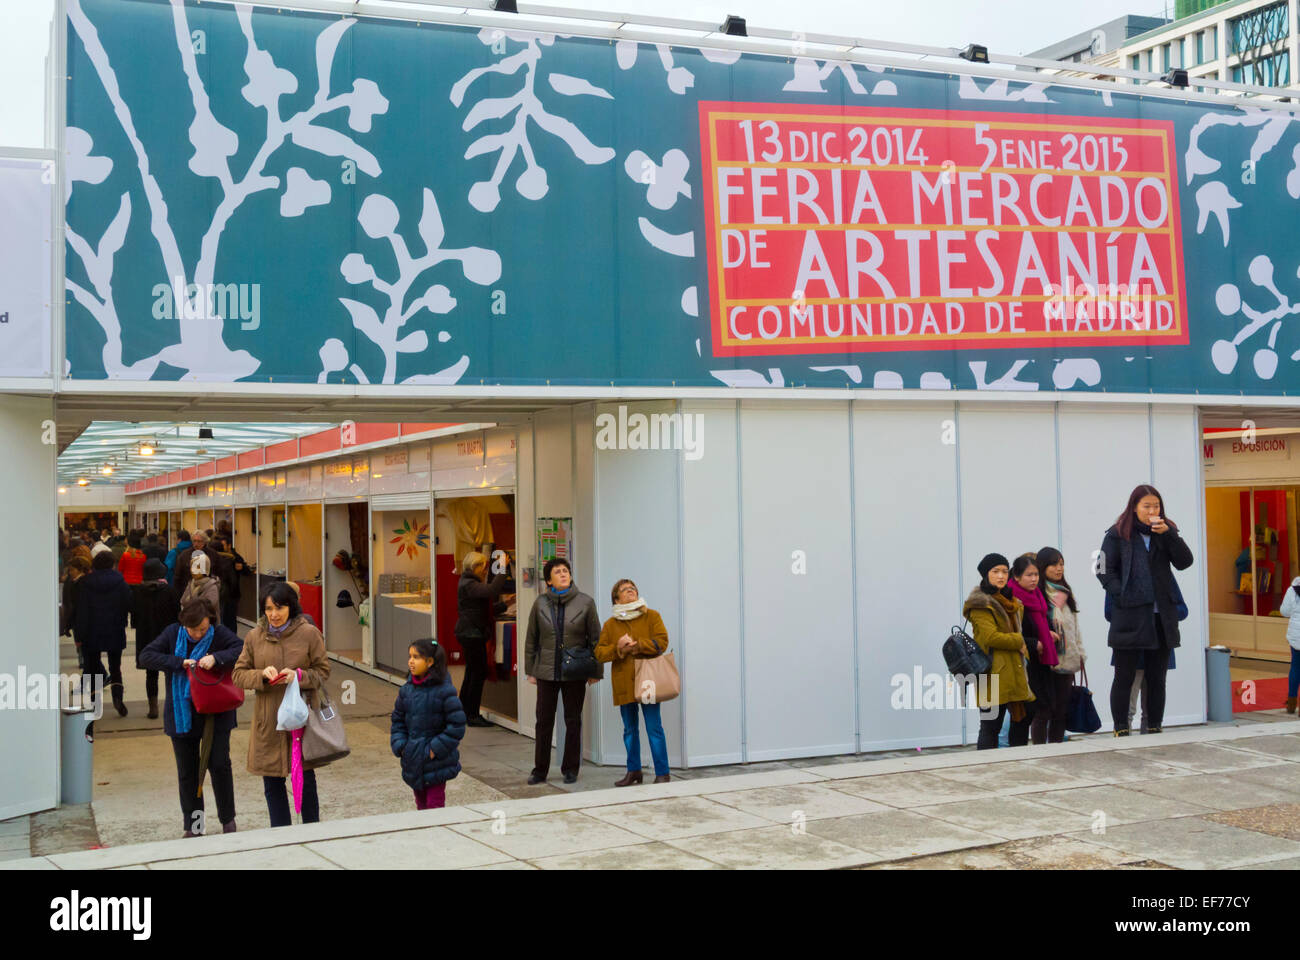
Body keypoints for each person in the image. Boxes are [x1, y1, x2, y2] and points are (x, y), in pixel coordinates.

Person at [138, 598, 242, 837]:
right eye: (193, 629)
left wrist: (216, 658)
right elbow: (147, 656)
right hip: (182, 713)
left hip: (216, 712)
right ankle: (195, 826)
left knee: (219, 765)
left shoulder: (219, 634)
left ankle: (228, 820)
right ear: (183, 623)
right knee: (188, 772)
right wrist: (178, 662)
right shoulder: (173, 633)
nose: (197, 634)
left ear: (210, 623)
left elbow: (242, 649)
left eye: (203, 629)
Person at [1097, 484, 1194, 736]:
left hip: (1160, 615)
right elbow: (1103, 569)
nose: (1152, 510)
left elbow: (1185, 562)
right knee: (1124, 675)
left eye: (1156, 505)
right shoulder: (1117, 534)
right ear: (1134, 507)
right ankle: (1120, 728)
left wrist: (1170, 535)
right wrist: (1121, 593)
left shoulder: (1166, 532)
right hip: (1129, 614)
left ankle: (1154, 726)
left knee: (1157, 677)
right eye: (1146, 506)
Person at [232, 582, 331, 827]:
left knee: (306, 779)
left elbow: (323, 671)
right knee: (272, 783)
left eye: (279, 608)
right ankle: (280, 834)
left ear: (291, 607)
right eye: (268, 609)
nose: (274, 614)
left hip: (301, 719)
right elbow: (238, 674)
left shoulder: (309, 633)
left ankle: (312, 830)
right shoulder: (255, 636)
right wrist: (261, 676)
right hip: (269, 721)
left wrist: (299, 676)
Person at [524, 558, 602, 784]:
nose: (563, 574)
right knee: (543, 721)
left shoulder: (586, 603)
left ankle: (571, 768)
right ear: (549, 580)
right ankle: (540, 770)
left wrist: (596, 671)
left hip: (575, 670)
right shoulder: (540, 603)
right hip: (546, 671)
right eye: (557, 572)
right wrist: (530, 670)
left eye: (565, 570)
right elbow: (531, 639)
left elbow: (596, 639)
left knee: (573, 720)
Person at [594, 578, 672, 785]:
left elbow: (662, 642)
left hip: (648, 679)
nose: (631, 591)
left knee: (654, 727)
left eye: (633, 588)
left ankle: (663, 773)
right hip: (624, 681)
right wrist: (618, 649)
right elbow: (600, 653)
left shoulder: (651, 615)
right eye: (624, 589)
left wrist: (637, 646)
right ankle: (634, 772)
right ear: (616, 599)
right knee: (629, 729)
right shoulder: (610, 625)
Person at [963, 553, 1034, 750]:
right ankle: (985, 767)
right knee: (990, 726)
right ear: (986, 575)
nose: (1001, 576)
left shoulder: (1012, 603)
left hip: (1014, 670)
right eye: (995, 572)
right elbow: (990, 637)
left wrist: (1023, 651)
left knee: (1024, 716)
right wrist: (1020, 641)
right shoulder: (980, 605)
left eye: (1004, 571)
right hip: (991, 673)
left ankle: (1016, 762)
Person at [391, 639, 466, 810]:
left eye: (416, 657)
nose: (411, 661)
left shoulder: (444, 691)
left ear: (430, 662)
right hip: (413, 758)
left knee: (434, 806)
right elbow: (398, 721)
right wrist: (401, 746)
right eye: (410, 656)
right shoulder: (406, 691)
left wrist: (434, 750)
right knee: (420, 804)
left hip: (436, 762)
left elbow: (457, 725)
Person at [1010, 554, 1069, 744]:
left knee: (1050, 707)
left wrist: (1048, 634)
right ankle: (1038, 749)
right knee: (1038, 708)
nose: (1034, 579)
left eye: (1036, 574)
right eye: (1029, 575)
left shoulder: (1037, 595)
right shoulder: (1013, 598)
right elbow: (1012, 631)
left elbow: (1041, 623)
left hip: (1042, 658)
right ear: (1017, 577)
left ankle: (1048, 749)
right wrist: (1033, 641)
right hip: (1025, 661)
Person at [74, 550, 134, 717]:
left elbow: (82, 611)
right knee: (115, 668)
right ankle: (117, 698)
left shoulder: (85, 583)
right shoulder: (120, 582)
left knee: (91, 667)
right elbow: (129, 604)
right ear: (112, 564)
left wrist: (79, 635)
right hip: (115, 629)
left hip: (91, 631)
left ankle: (93, 703)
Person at [455, 550, 509, 728]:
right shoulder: (469, 583)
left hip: (469, 632)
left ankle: (464, 712)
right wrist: (502, 568)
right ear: (475, 566)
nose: (486, 571)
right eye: (484, 567)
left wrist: (507, 604)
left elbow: (482, 607)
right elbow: (493, 590)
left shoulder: (468, 582)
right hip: (472, 633)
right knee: (477, 674)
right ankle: (472, 715)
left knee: (472, 673)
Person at [131, 558, 180, 719]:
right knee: (170, 671)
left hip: (146, 635)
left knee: (150, 673)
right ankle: (171, 705)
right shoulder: (169, 591)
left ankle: (153, 707)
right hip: (167, 636)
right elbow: (177, 614)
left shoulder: (138, 591)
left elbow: (134, 616)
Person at [62, 554, 92, 670]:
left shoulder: (80, 585)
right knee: (91, 658)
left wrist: (69, 625)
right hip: (84, 624)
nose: (70, 573)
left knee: (89, 657)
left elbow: (78, 609)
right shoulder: (80, 583)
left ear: (80, 570)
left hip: (83, 625)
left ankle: (96, 679)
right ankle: (100, 677)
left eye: (72, 570)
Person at [209, 537, 242, 631]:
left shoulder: (211, 561)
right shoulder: (229, 560)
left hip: (220, 594)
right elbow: (233, 581)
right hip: (228, 595)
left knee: (219, 619)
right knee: (229, 620)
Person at [181, 552, 222, 622]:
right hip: (190, 623)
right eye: (192, 567)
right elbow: (183, 601)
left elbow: (207, 608)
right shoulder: (191, 583)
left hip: (207, 625)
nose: (193, 570)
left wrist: (189, 606)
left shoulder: (212, 586)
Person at [173, 530, 213, 599]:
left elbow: (218, 572)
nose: (196, 544)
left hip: (207, 592)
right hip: (187, 592)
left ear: (204, 542)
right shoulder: (184, 555)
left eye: (199, 541)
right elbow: (177, 576)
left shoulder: (212, 555)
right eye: (194, 541)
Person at [1283, 576, 1300, 713]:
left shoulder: (1292, 590)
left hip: (1296, 636)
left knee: (1295, 667)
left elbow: (1284, 611)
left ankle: (1292, 704)